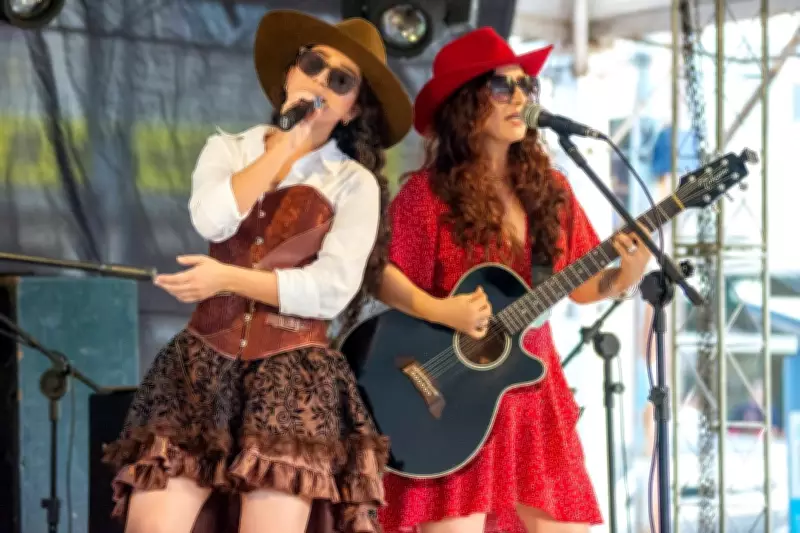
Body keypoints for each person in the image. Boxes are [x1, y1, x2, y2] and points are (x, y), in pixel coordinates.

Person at [101, 10, 412, 533]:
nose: (321, 82)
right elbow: (211, 218)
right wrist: (284, 146)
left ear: (353, 108)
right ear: (290, 74)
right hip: (201, 366)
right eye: (313, 65)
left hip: (292, 378)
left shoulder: (353, 183)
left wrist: (227, 279)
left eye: (341, 81)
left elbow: (331, 290)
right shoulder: (229, 149)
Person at [375, 28, 651, 533]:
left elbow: (581, 286)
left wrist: (623, 277)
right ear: (465, 104)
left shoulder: (551, 189)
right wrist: (442, 310)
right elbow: (381, 276)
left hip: (534, 388)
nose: (521, 98)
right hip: (452, 393)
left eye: (527, 86)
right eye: (503, 87)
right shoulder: (426, 196)